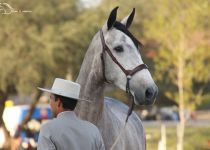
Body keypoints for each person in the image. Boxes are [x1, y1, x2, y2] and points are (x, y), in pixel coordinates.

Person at [37, 78, 105, 150]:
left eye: (51, 98)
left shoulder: (48, 129)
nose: (50, 104)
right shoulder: (93, 130)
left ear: (59, 102)